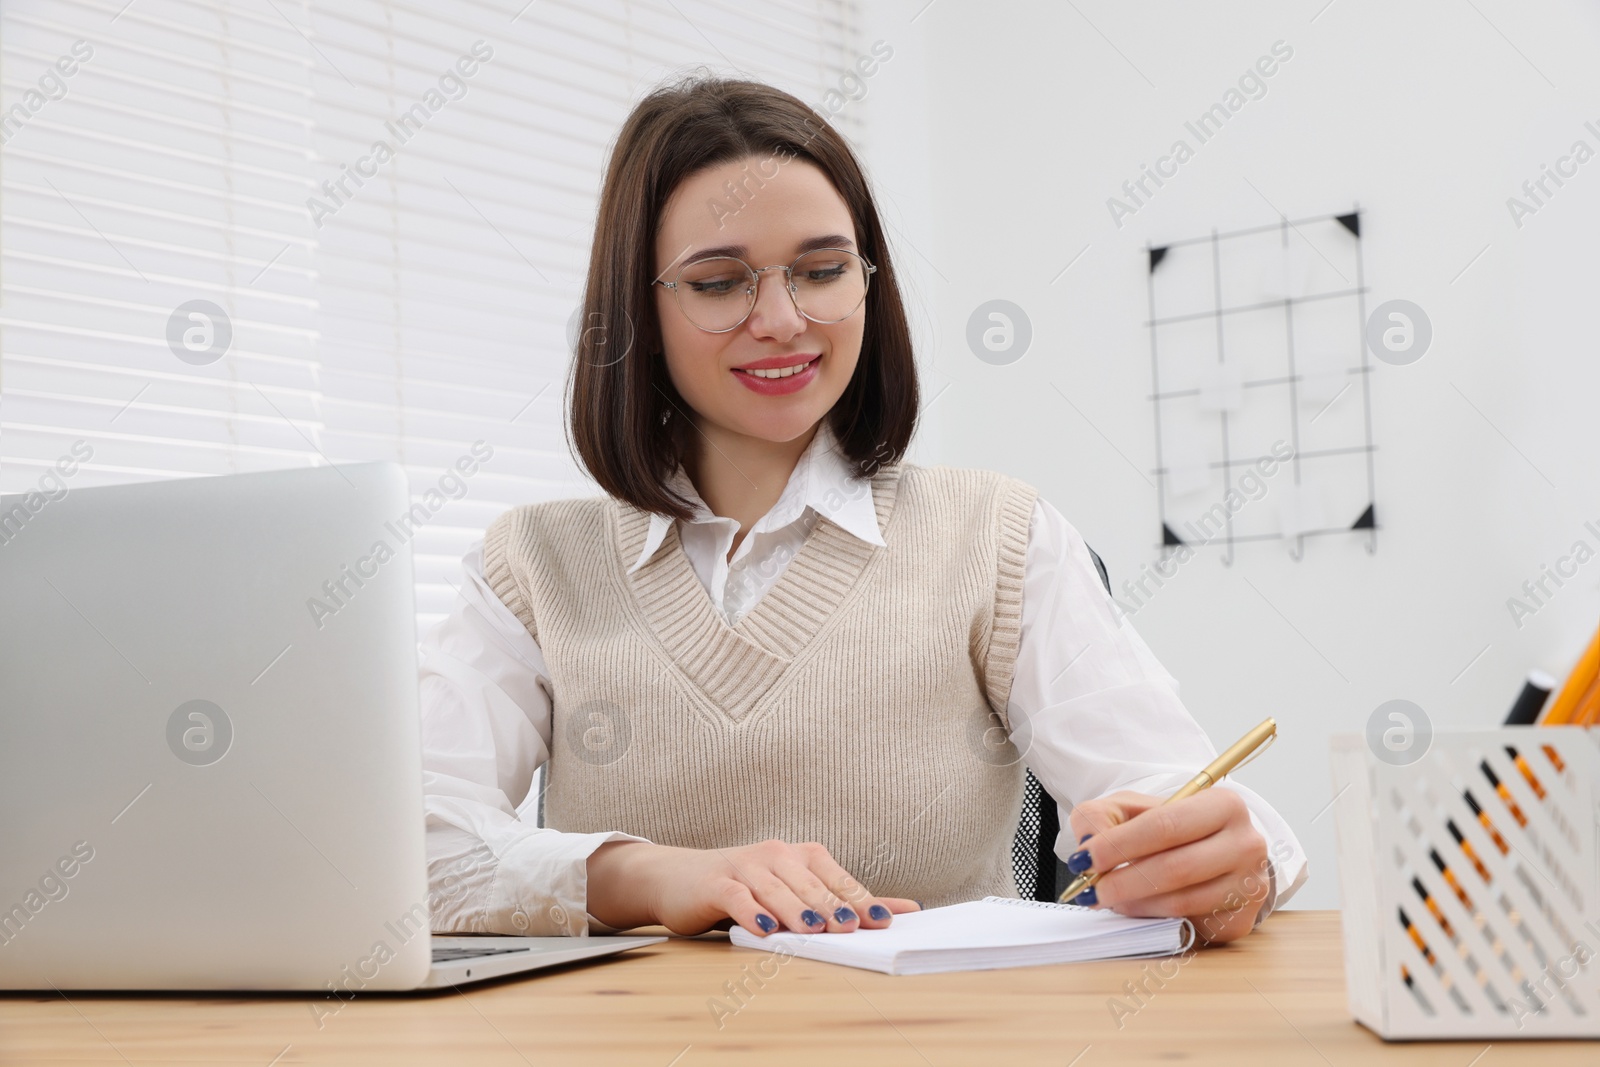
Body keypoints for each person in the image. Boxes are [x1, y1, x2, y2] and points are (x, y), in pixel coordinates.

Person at [418, 74, 1307, 946]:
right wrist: (655, 874)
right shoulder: (534, 563)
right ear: (638, 311)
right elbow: (406, 845)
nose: (782, 318)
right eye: (720, 282)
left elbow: (1185, 793)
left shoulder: (996, 538)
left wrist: (1235, 862)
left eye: (823, 270)